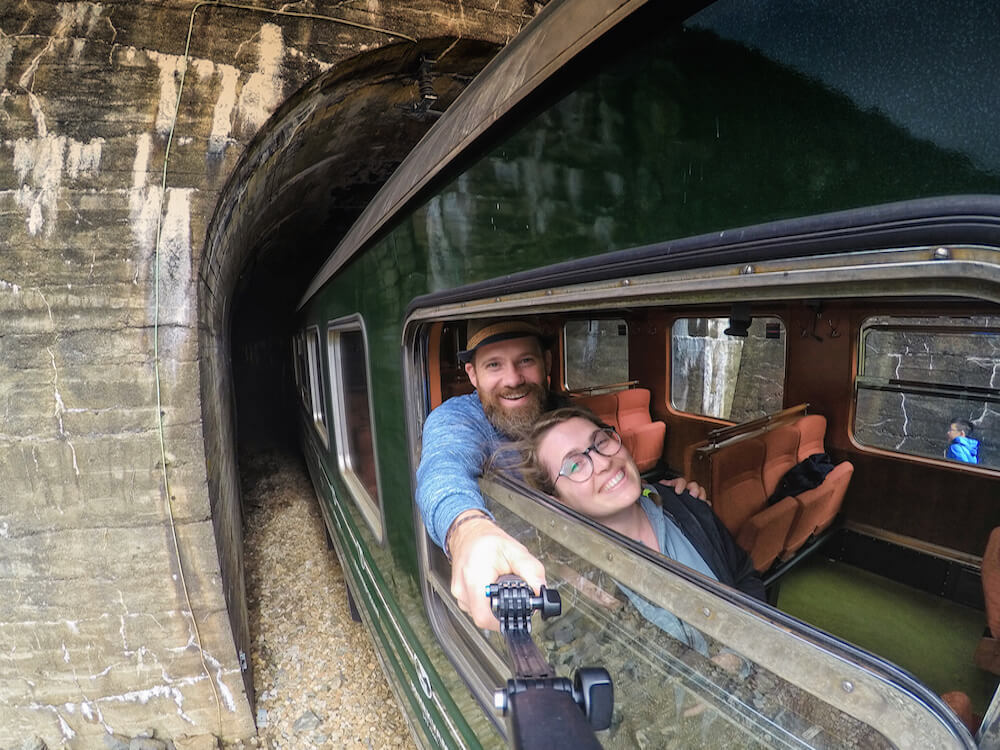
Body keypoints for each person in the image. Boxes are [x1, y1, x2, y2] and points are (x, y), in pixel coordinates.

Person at [415, 318, 702, 630]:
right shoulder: (457, 420)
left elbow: (602, 467)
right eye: (494, 365)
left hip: (589, 558)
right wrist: (468, 531)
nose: (513, 379)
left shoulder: (562, 408)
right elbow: (442, 472)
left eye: (525, 360)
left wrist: (652, 491)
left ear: (546, 362)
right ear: (472, 374)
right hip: (517, 583)